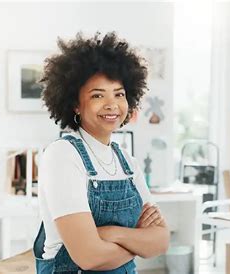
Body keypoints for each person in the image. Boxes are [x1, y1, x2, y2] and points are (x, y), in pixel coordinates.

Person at [33, 32, 170, 273]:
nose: (111, 104)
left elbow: (160, 241)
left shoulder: (126, 161)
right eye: (98, 95)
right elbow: (88, 257)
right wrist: (138, 243)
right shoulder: (62, 155)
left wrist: (110, 234)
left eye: (119, 94)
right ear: (75, 104)